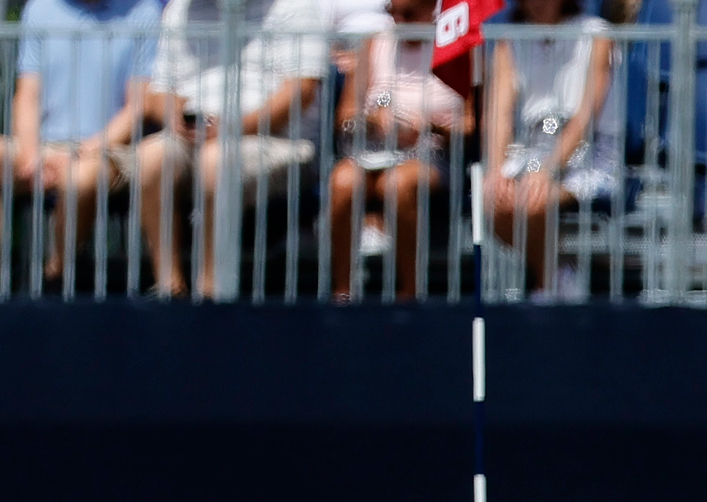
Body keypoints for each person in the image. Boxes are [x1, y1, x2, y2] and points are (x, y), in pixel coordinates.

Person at [134, 0, 329, 300]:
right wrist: (176, 118)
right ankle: (169, 287)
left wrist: (235, 127)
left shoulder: (296, 6)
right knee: (150, 157)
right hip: (196, 135)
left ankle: (211, 290)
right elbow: (159, 91)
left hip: (277, 140)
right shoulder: (180, 10)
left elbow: (300, 91)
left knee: (216, 160)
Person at [3, 0, 162, 290]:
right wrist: (31, 155)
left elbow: (139, 105)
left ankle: (53, 277)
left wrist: (82, 152)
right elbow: (27, 95)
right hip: (43, 146)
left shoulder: (145, 11)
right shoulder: (39, 9)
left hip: (112, 150)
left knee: (80, 178)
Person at [328, 0, 468, 301]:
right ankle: (342, 291)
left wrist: (430, 126)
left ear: (432, 11)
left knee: (397, 184)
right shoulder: (374, 44)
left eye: (409, 14)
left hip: (431, 155)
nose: (399, 22)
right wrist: (374, 119)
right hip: (373, 151)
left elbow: (473, 124)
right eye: (393, 13)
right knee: (342, 182)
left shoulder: (458, 49)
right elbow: (345, 115)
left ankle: (410, 292)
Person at [483, 0, 619, 297]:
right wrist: (496, 169)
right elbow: (499, 115)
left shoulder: (597, 35)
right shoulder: (509, 41)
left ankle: (547, 287)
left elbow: (585, 118)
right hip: (533, 152)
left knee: (534, 201)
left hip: (590, 153)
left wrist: (548, 171)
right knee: (494, 202)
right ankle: (557, 273)